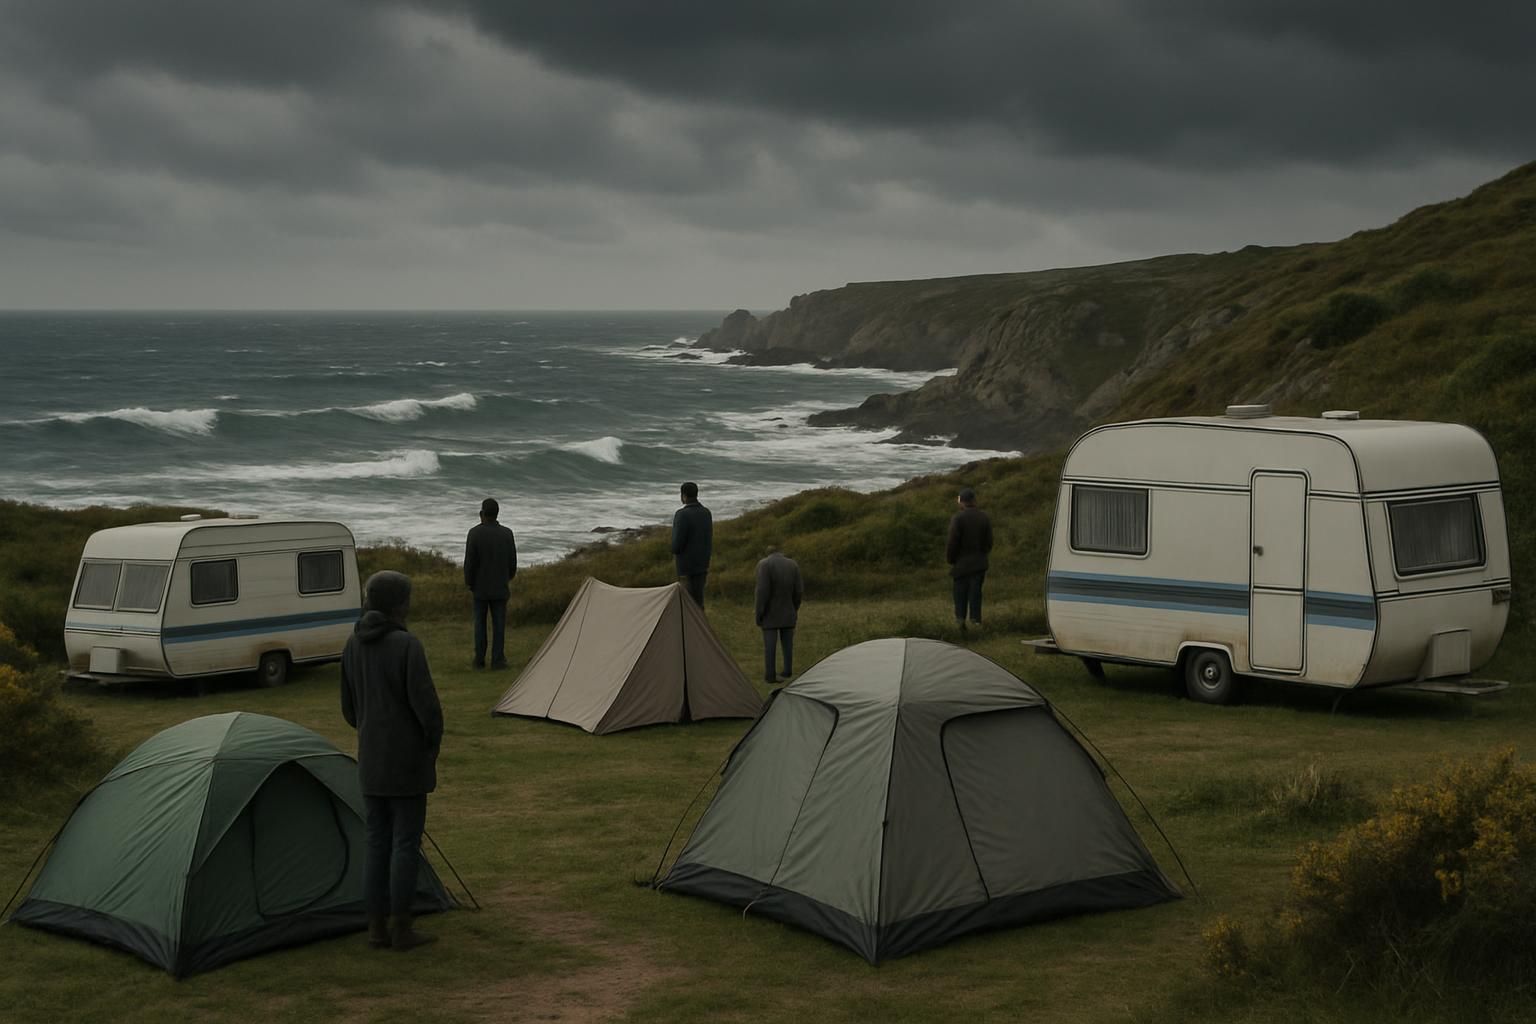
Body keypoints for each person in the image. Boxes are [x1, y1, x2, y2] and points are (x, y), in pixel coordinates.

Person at [340, 570, 444, 953]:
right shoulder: (407, 645)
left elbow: (349, 710)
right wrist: (429, 745)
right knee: (404, 844)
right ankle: (401, 927)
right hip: (406, 761)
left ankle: (376, 928)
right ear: (399, 604)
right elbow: (427, 710)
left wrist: (371, 730)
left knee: (376, 843)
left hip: (371, 759)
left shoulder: (352, 644)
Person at [464, 497, 517, 669]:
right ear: (497, 514)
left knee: (480, 624)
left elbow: (470, 562)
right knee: (499, 625)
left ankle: (479, 659)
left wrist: (469, 582)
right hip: (500, 585)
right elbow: (512, 562)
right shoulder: (507, 533)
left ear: (482, 514)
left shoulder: (474, 533)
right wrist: (507, 577)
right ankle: (498, 659)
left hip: (480, 587)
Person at [946, 487, 993, 634]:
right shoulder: (984, 517)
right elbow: (989, 542)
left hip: (961, 564)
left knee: (960, 596)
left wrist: (951, 559)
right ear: (974, 500)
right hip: (979, 563)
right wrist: (982, 554)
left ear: (961, 501)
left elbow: (953, 542)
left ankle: (960, 625)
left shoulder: (958, 518)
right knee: (975, 596)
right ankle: (976, 624)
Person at [754, 546, 803, 684]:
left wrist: (759, 613)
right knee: (788, 645)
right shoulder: (793, 564)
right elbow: (799, 591)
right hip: (788, 611)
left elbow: (762, 591)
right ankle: (787, 671)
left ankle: (770, 675)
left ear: (768, 553)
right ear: (781, 552)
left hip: (770, 614)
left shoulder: (764, 564)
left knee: (770, 647)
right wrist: (794, 607)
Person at [671, 481, 713, 608]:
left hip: (686, 566)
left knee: (687, 602)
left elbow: (677, 545)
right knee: (698, 601)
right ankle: (700, 621)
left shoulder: (682, 514)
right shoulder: (706, 512)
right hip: (703, 563)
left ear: (683, 496)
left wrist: (673, 549)